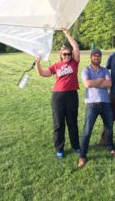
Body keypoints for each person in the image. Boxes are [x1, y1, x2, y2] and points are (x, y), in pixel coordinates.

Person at [35, 29, 80, 158]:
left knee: (72, 122)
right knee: (58, 123)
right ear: (61, 55)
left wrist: (66, 33)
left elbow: (76, 47)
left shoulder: (74, 63)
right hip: (58, 96)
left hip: (72, 95)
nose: (66, 56)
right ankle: (59, 148)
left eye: (68, 54)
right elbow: (43, 73)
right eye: (64, 54)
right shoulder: (56, 66)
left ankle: (76, 146)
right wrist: (38, 63)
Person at [77, 49, 115, 168]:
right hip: (91, 104)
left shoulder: (105, 70)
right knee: (87, 131)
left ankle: (111, 148)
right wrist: (101, 80)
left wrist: (94, 82)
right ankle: (82, 155)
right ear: (91, 57)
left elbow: (109, 84)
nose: (97, 58)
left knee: (109, 128)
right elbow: (87, 85)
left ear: (101, 58)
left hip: (106, 103)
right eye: (95, 56)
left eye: (99, 56)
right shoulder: (85, 70)